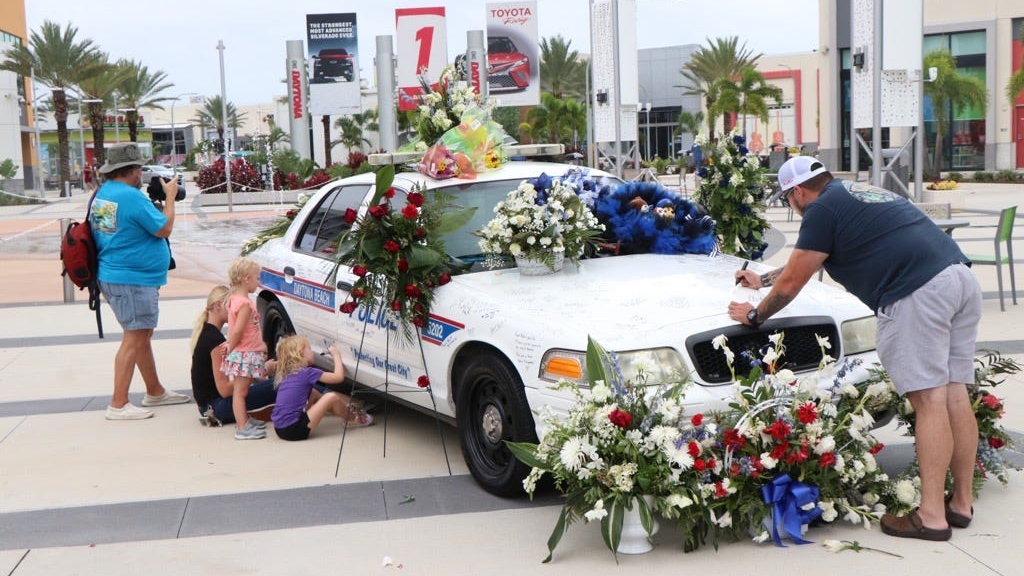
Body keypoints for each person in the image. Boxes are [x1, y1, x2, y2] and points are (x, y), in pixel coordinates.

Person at [727, 156, 982, 542]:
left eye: (787, 199)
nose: (791, 207)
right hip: (958, 278)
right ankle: (961, 504)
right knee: (954, 393)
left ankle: (931, 516)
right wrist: (761, 279)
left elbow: (795, 281)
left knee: (929, 399)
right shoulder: (857, 193)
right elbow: (809, 260)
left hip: (918, 291)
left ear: (797, 191)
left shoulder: (821, 208)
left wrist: (753, 316)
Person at [91, 142, 190, 420]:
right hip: (131, 279)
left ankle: (155, 391)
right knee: (134, 338)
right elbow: (164, 228)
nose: (141, 176)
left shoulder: (105, 193)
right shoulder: (131, 197)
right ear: (132, 170)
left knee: (141, 333)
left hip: (116, 273)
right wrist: (170, 197)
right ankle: (118, 404)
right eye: (139, 169)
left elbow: (110, 232)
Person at [190, 285, 276, 427]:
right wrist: (258, 371)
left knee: (274, 385)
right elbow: (224, 390)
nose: (234, 311)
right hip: (216, 407)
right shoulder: (215, 341)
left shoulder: (206, 332)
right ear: (218, 305)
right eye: (231, 306)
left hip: (207, 406)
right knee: (280, 384)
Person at [271, 335, 372, 442]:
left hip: (279, 428)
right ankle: (353, 419)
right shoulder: (307, 373)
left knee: (314, 392)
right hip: (294, 430)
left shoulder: (288, 373)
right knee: (331, 397)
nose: (312, 351)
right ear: (301, 353)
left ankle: (336, 410)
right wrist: (336, 355)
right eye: (309, 348)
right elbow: (338, 377)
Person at [221, 257, 270, 440]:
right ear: (246, 278)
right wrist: (230, 346)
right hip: (244, 353)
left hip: (245, 351)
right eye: (257, 278)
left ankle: (245, 420)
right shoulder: (245, 304)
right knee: (240, 392)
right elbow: (238, 330)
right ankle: (242, 427)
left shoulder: (233, 299)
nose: (259, 282)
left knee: (242, 390)